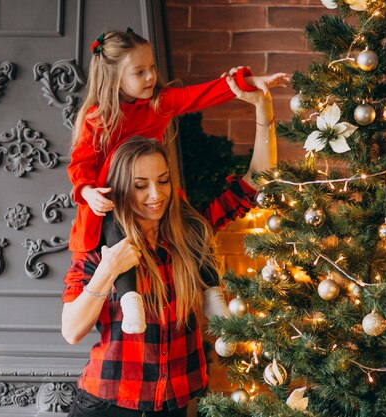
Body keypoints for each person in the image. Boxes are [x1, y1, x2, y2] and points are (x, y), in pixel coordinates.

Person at [61, 76, 278, 417]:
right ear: (120, 190)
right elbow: (72, 330)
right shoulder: (98, 245)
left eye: (163, 181)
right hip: (108, 403)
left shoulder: (190, 232)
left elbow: (255, 182)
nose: (155, 195)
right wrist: (108, 271)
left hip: (175, 405)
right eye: (140, 185)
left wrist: (264, 111)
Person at [67, 28, 288, 334]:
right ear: (114, 78)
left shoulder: (158, 104)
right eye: (140, 72)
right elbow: (80, 163)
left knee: (194, 225)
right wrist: (88, 191)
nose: (150, 77)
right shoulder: (98, 119)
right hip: (110, 204)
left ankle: (211, 292)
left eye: (152, 68)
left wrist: (248, 85)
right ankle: (131, 299)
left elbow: (198, 95)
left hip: (188, 378)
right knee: (118, 231)